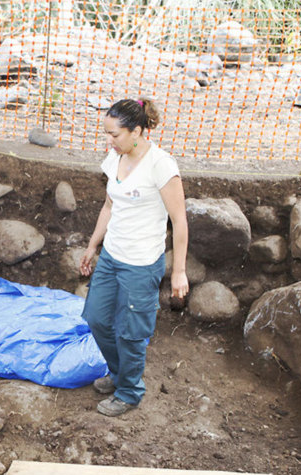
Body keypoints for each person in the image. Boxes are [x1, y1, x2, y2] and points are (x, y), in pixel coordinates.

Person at [79, 97, 189, 417]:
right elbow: (109, 206)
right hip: (113, 256)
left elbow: (179, 220)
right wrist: (92, 245)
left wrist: (178, 271)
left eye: (114, 135)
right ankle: (119, 374)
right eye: (107, 134)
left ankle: (129, 392)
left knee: (131, 331)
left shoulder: (162, 167)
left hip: (141, 264)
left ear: (137, 131)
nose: (108, 141)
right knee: (96, 318)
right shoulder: (114, 158)